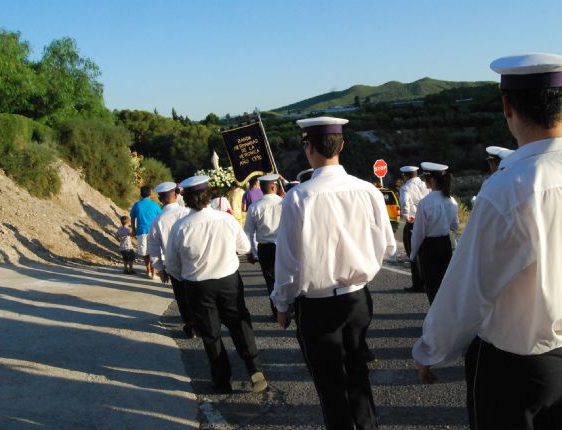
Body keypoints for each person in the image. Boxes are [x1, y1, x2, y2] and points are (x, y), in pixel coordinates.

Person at [412, 53, 562, 429]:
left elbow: (469, 288)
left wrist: (430, 349)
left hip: (516, 366)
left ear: (507, 106)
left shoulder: (508, 187)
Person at [272, 116, 396, 429]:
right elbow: (388, 247)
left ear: (309, 147)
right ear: (342, 145)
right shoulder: (367, 190)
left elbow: (287, 263)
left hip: (317, 303)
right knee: (357, 373)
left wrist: (282, 304)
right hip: (357, 297)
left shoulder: (299, 197)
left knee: (329, 384)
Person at [165, 175, 268, 394]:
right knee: (239, 322)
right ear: (209, 194)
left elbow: (171, 264)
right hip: (228, 280)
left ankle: (222, 380)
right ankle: (254, 368)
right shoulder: (226, 219)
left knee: (211, 334)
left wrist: (186, 277)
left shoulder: (180, 227)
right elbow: (244, 247)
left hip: (198, 285)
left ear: (186, 198)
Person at [147, 182, 196, 338]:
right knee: (198, 292)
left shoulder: (157, 221)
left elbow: (153, 249)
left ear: (160, 199)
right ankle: (203, 322)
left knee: (181, 296)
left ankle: (190, 325)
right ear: (176, 195)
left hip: (173, 264)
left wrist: (160, 269)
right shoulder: (189, 212)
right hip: (193, 259)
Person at [409, 162, 459, 304]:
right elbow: (455, 226)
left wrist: (413, 254)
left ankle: (435, 319)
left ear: (431, 180)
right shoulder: (451, 200)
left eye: (425, 179)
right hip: (445, 243)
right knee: (445, 283)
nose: (425, 182)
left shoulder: (425, 203)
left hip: (430, 246)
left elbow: (419, 232)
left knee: (432, 284)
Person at [243, 173, 283, 320]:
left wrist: (252, 253)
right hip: (284, 246)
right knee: (289, 277)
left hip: (266, 248)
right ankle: (290, 309)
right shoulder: (284, 202)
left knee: (271, 281)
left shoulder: (254, 207)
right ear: (274, 187)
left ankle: (277, 311)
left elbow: (249, 233)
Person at [399, 165, 429, 293]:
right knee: (425, 253)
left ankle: (417, 284)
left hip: (414, 222)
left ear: (405, 175)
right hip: (428, 223)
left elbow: (405, 203)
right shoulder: (425, 185)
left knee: (413, 253)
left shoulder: (406, 188)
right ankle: (428, 282)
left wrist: (406, 217)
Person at [130, 185, 162, 279]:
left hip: (141, 231)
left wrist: (133, 230)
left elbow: (132, 218)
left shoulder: (137, 205)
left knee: (145, 253)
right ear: (150, 194)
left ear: (141, 194)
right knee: (153, 251)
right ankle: (153, 273)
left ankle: (148, 271)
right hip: (153, 231)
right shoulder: (155, 205)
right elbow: (160, 218)